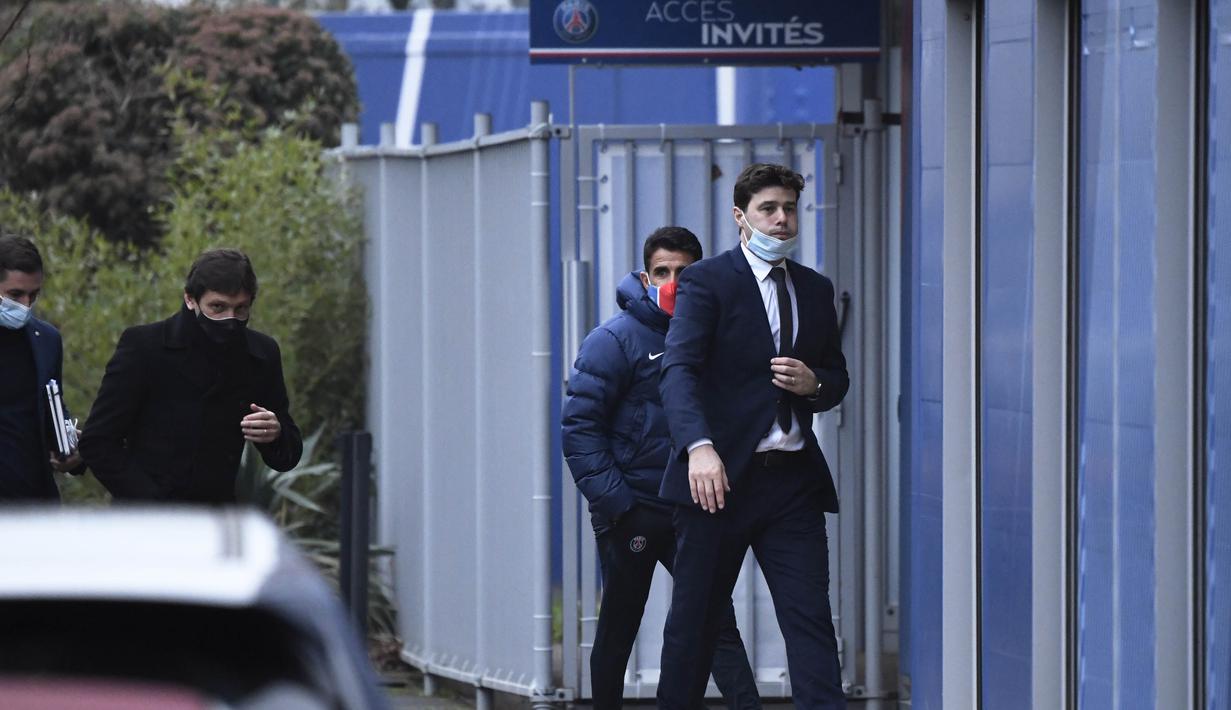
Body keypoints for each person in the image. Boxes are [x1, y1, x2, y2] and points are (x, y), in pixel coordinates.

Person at [657, 165, 850, 709]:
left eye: (790, 208)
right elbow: (678, 372)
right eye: (769, 208)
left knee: (810, 622)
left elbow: (836, 376)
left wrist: (816, 385)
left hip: (791, 484)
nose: (782, 219)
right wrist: (699, 449)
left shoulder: (814, 289)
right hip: (716, 483)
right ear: (741, 217)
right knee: (694, 624)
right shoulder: (706, 281)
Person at [562, 227, 761, 710]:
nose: (672, 281)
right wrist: (621, 506)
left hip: (696, 506)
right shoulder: (614, 339)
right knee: (620, 622)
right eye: (662, 272)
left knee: (715, 620)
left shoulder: (716, 336)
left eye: (684, 272)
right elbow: (579, 428)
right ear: (645, 275)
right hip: (634, 509)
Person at [80, 248, 302, 503]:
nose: (230, 319)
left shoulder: (260, 354)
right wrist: (151, 503)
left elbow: (287, 456)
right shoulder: (145, 347)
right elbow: (97, 441)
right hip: (147, 521)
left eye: (240, 309)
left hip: (214, 518)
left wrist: (275, 433)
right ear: (190, 299)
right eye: (217, 307)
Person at [0, 233, 82, 501]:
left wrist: (71, 450)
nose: (25, 305)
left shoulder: (47, 340)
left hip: (33, 500)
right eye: (15, 294)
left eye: (33, 295)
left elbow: (51, 408)